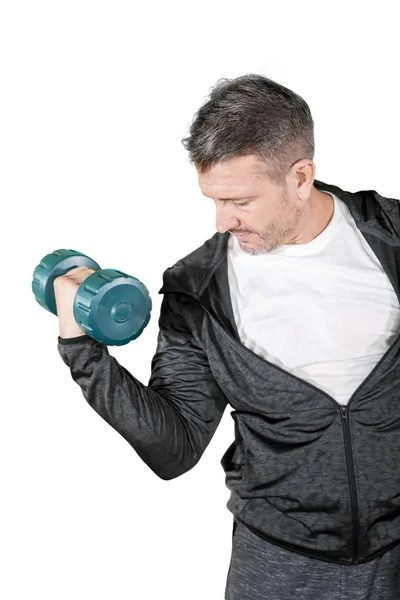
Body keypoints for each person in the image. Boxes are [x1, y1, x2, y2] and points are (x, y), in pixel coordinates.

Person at [55, 74, 400, 599]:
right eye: (212, 199)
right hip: (278, 565)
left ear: (301, 177)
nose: (222, 222)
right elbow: (176, 446)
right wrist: (82, 349)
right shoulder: (197, 292)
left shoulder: (393, 237)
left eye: (240, 200)